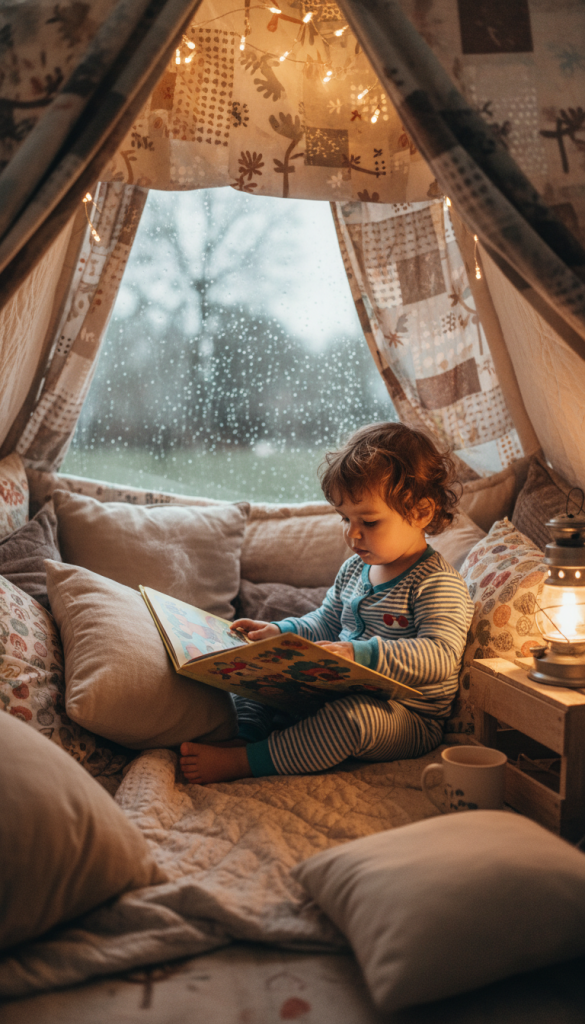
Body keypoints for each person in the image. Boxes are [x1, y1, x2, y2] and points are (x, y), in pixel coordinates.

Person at [180, 422, 474, 784]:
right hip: (334, 690)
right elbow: (325, 621)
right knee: (255, 679)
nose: (352, 533)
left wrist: (358, 654)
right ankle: (246, 737)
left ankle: (246, 761)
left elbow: (440, 655)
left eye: (369, 521)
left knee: (353, 720)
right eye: (345, 519)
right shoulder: (354, 569)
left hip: (406, 717)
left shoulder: (436, 583)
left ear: (421, 513)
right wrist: (280, 633)